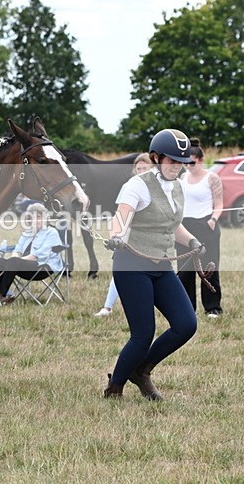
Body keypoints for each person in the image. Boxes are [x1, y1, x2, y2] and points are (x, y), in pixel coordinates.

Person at [102, 128, 203, 400]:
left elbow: (173, 225)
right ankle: (114, 388)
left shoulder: (178, 186)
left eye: (182, 162)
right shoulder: (137, 185)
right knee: (143, 333)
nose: (177, 167)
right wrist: (116, 236)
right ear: (156, 157)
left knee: (186, 324)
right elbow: (122, 216)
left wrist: (192, 241)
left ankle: (142, 370)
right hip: (131, 265)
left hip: (161, 265)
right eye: (172, 161)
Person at [95, 153, 153, 317]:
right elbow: (119, 214)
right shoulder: (129, 186)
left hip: (152, 238)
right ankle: (107, 307)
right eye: (138, 168)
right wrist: (115, 234)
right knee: (121, 271)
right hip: (130, 236)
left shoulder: (158, 187)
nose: (141, 171)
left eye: (145, 168)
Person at [0, 203, 65, 307]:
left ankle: (1, 297)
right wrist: (14, 258)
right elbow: (18, 249)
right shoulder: (28, 233)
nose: (36, 220)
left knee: (13, 261)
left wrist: (15, 261)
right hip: (22, 266)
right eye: (33, 218)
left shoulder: (51, 232)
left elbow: (37, 256)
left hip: (42, 267)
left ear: (45, 218)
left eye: (39, 217)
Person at [177, 137, 223, 317]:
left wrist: (213, 220)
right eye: (186, 163)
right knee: (184, 270)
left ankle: (212, 307)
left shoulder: (212, 178)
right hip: (185, 226)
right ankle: (188, 308)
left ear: (201, 161)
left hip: (205, 224)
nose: (189, 166)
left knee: (208, 268)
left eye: (193, 163)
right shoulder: (182, 177)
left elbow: (219, 203)